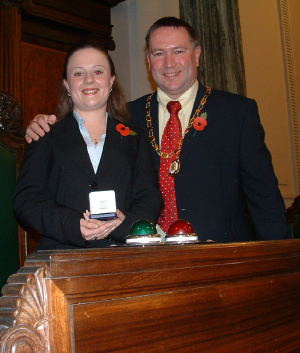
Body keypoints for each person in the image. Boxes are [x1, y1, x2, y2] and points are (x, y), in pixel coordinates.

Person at [24, 17, 289, 242]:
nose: (169, 62)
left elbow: (263, 196)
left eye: (179, 51)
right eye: (158, 53)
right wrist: (43, 124)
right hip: (144, 255)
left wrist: (284, 264)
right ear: (148, 61)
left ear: (197, 55)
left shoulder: (236, 113)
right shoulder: (126, 117)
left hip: (217, 257)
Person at [14, 41, 163, 250]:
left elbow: (149, 196)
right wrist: (73, 225)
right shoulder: (45, 134)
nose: (89, 80)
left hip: (123, 259)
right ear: (67, 84)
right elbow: (26, 200)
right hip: (62, 260)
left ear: (111, 81)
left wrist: (124, 225)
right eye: (78, 74)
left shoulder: (136, 137)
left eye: (98, 71)